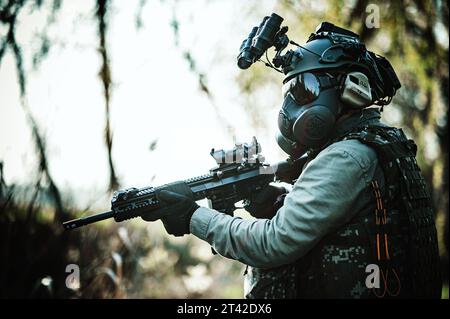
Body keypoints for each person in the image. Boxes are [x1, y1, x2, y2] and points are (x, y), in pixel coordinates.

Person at [141, 21, 442, 298]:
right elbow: (350, 222)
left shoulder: (347, 156)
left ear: (349, 91)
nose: (290, 106)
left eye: (305, 89)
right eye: (290, 91)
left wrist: (192, 216)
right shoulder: (380, 142)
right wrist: (278, 204)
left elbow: (272, 244)